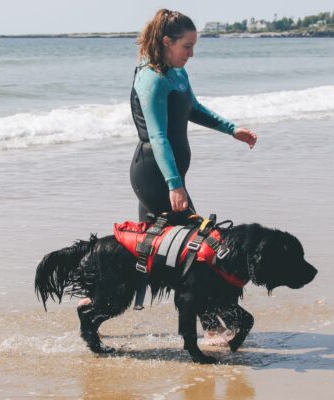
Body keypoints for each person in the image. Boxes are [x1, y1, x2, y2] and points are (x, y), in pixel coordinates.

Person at [130, 8, 257, 330]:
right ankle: (214, 324)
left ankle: (95, 298)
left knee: (146, 249)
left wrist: (231, 129)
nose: (191, 53)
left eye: (193, 46)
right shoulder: (151, 79)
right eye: (186, 46)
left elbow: (194, 109)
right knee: (195, 244)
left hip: (169, 175)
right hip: (154, 174)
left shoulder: (177, 73)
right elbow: (158, 136)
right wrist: (174, 184)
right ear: (166, 42)